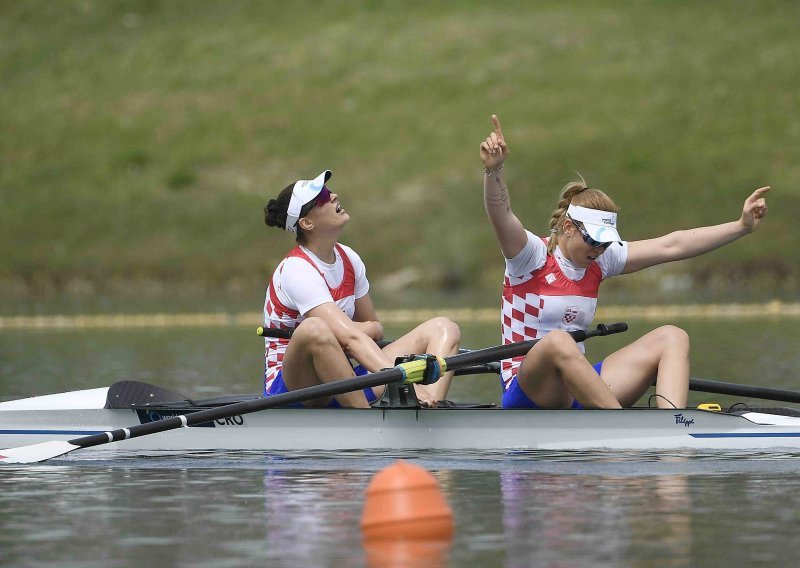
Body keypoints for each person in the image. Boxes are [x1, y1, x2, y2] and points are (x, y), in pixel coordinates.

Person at [479, 115, 770, 409]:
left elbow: (673, 245)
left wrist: (740, 226)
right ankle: (618, 423)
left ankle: (673, 428)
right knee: (557, 341)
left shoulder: (603, 259)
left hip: (576, 391)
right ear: (569, 228)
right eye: (593, 240)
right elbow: (501, 215)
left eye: (606, 242)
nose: (600, 249)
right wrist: (495, 171)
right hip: (528, 392)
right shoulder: (529, 256)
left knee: (672, 337)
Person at [262, 170, 461, 408]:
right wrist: (348, 337)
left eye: (329, 191)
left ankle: (429, 407)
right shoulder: (297, 269)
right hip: (295, 390)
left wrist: (350, 335)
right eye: (323, 196)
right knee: (314, 328)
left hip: (344, 376)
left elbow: (375, 328)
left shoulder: (349, 258)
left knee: (443, 328)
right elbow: (352, 338)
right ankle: (365, 420)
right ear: (307, 223)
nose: (334, 196)